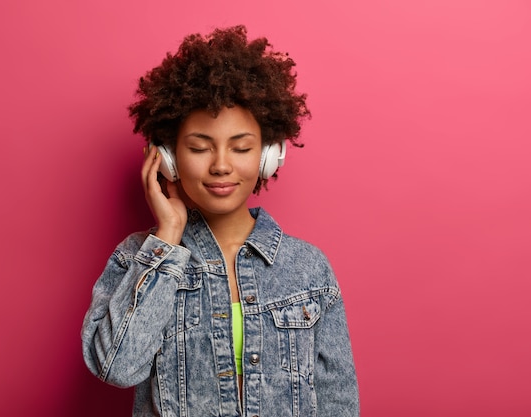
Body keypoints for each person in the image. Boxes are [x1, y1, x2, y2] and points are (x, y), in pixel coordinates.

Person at [81, 25, 359, 416]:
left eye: (242, 147)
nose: (222, 165)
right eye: (199, 147)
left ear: (268, 155)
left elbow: (338, 402)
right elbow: (117, 368)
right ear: (169, 156)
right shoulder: (138, 258)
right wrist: (168, 238)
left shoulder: (309, 270)